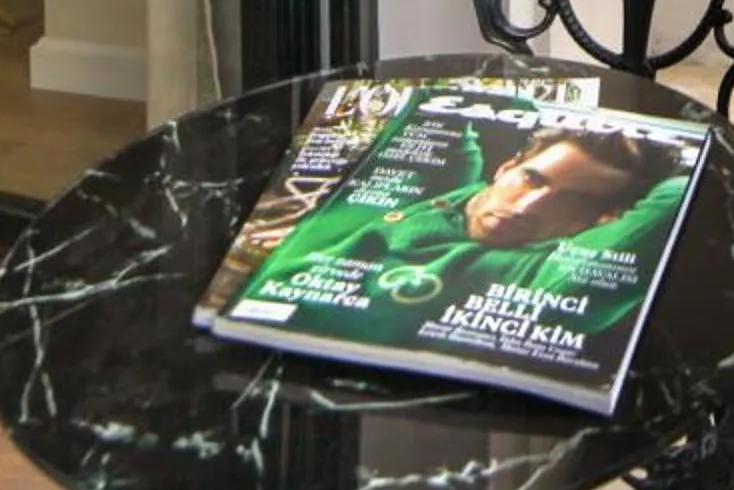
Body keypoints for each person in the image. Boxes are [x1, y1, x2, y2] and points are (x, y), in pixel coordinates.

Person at [259, 121, 692, 345]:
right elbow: (439, 107)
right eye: (533, 180)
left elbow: (674, 196)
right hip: (252, 322)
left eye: (573, 201)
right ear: (506, 167)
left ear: (606, 218)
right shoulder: (445, 182)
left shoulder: (550, 275)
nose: (526, 207)